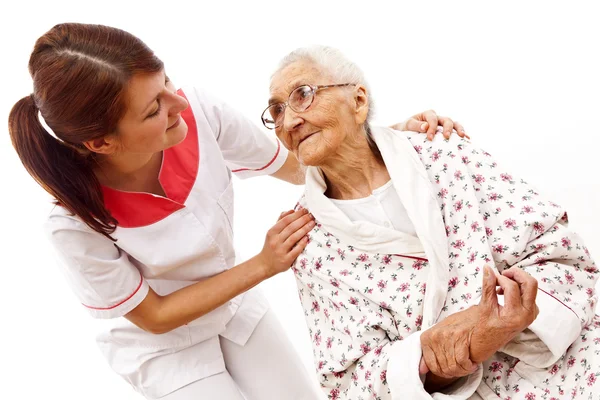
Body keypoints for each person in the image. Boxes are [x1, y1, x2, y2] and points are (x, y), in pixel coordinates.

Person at [7, 23, 464, 399]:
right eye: (153, 110)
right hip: (165, 348)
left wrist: (392, 139)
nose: (178, 104)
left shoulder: (198, 113)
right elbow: (155, 315)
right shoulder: (71, 222)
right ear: (101, 143)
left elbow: (297, 164)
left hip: (236, 308)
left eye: (166, 81)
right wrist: (264, 265)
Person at [264, 45, 600, 399]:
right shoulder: (309, 244)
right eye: (276, 110)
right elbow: (349, 381)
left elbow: (558, 251)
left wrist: (501, 320)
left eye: (303, 95)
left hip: (571, 366)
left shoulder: (444, 153)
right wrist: (435, 359)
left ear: (358, 101)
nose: (289, 122)